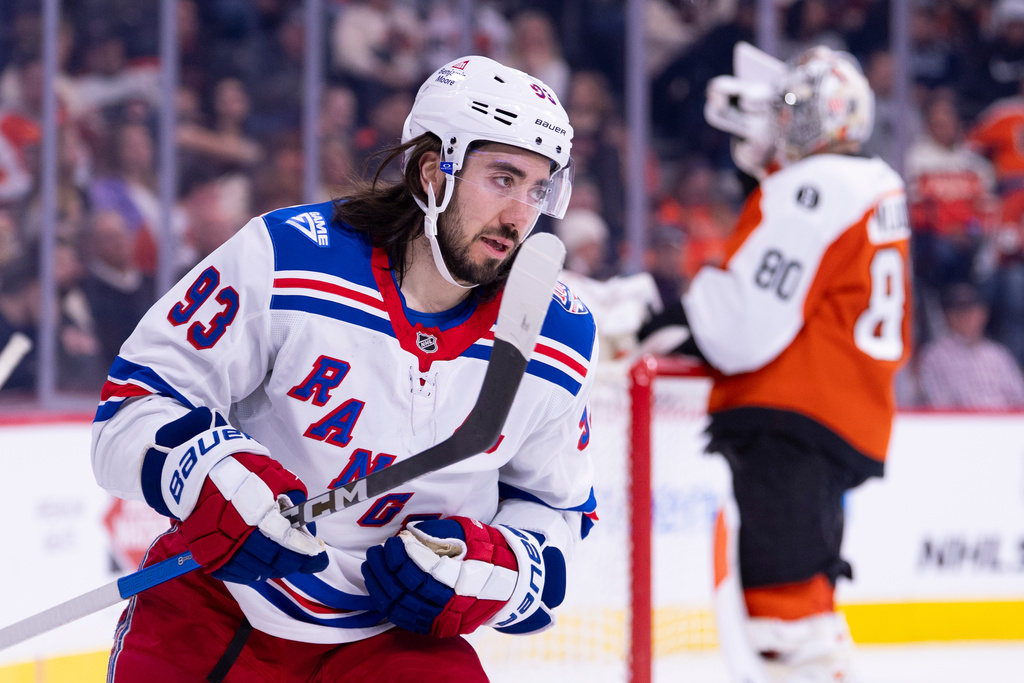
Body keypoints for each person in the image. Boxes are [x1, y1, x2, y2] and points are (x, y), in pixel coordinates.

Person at [91, 56, 597, 682]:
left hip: (394, 640)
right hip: (220, 610)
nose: (522, 214)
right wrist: (210, 476)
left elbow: (557, 506)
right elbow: (132, 407)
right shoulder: (289, 259)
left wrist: (504, 565)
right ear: (432, 170)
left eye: (538, 188)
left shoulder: (556, 332)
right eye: (503, 178)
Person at [640, 44, 911, 682]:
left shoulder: (815, 186)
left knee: (782, 618)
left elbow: (742, 322)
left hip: (791, 416)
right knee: (805, 608)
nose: (782, 122)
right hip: (836, 413)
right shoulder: (871, 182)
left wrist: (673, 322)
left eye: (794, 108)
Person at [918, 282, 1024, 408]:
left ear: (984, 313)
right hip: (961, 425)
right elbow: (940, 406)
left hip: (1003, 424)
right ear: (947, 316)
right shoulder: (933, 356)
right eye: (959, 311)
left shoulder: (998, 354)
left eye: (971, 309)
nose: (966, 316)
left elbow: (1019, 399)